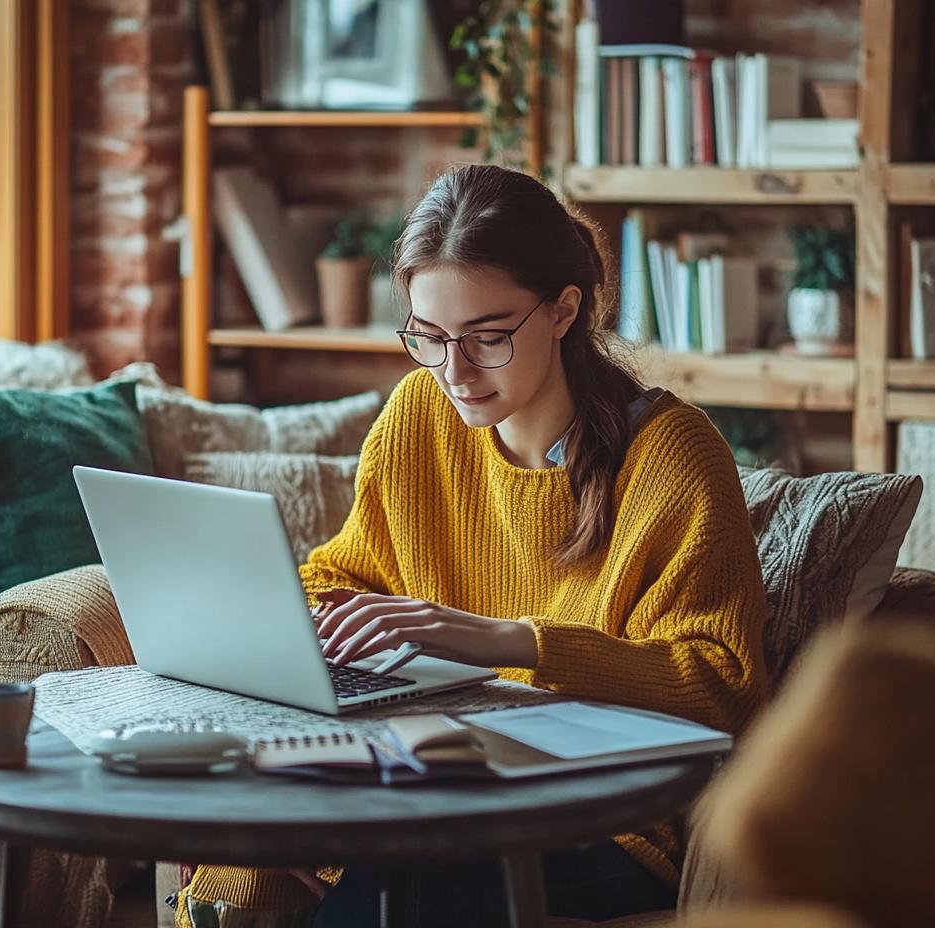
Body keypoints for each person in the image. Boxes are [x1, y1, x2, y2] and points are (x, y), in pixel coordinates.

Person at [280, 163, 770, 927]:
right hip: (444, 780)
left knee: (394, 888)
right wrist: (306, 623)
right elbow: (340, 576)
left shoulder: (672, 454)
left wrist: (512, 642)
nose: (455, 372)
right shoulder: (419, 415)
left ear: (564, 310)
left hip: (608, 824)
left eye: (487, 337)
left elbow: (721, 683)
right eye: (429, 337)